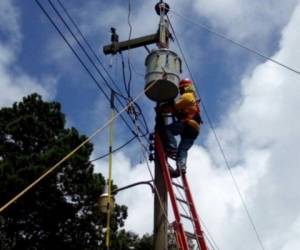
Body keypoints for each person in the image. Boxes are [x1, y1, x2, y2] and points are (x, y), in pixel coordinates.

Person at [163, 78, 202, 176]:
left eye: (181, 89)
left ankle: (172, 148)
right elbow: (176, 111)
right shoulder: (192, 100)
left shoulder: (188, 96)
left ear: (185, 88)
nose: (180, 92)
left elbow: (174, 106)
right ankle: (181, 167)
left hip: (188, 124)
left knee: (167, 130)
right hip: (194, 130)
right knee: (183, 150)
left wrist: (163, 108)